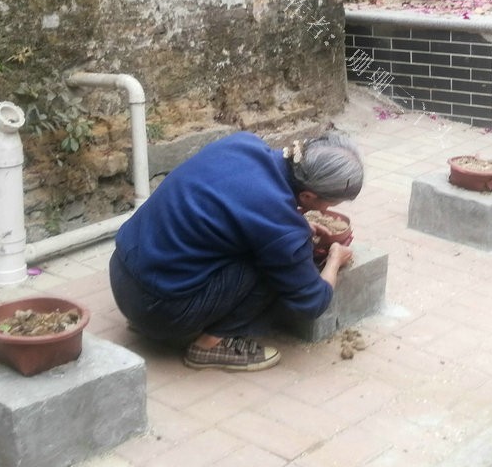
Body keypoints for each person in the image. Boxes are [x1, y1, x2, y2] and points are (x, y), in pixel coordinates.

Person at [108, 129, 363, 372]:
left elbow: (240, 202)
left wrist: (290, 225)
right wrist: (333, 260)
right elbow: (313, 302)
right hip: (159, 310)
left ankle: (152, 317)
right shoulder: (280, 227)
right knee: (276, 261)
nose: (327, 212)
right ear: (307, 196)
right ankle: (211, 345)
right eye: (328, 204)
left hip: (122, 270)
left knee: (269, 246)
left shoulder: (243, 143)